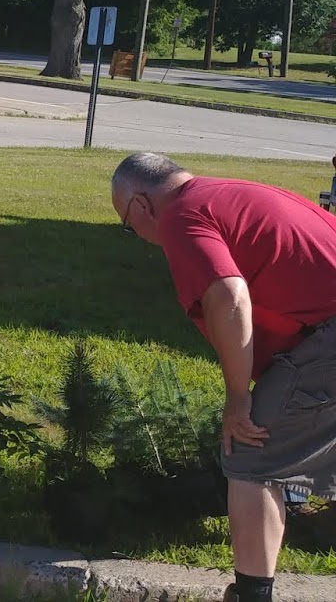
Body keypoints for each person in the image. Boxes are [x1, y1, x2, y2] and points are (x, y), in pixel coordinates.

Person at [111, 152, 336, 602]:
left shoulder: (181, 216)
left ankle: (252, 595)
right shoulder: (229, 194)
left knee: (252, 452)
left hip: (326, 337)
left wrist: (237, 398)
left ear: (140, 205)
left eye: (128, 226)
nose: (139, 236)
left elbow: (230, 297)